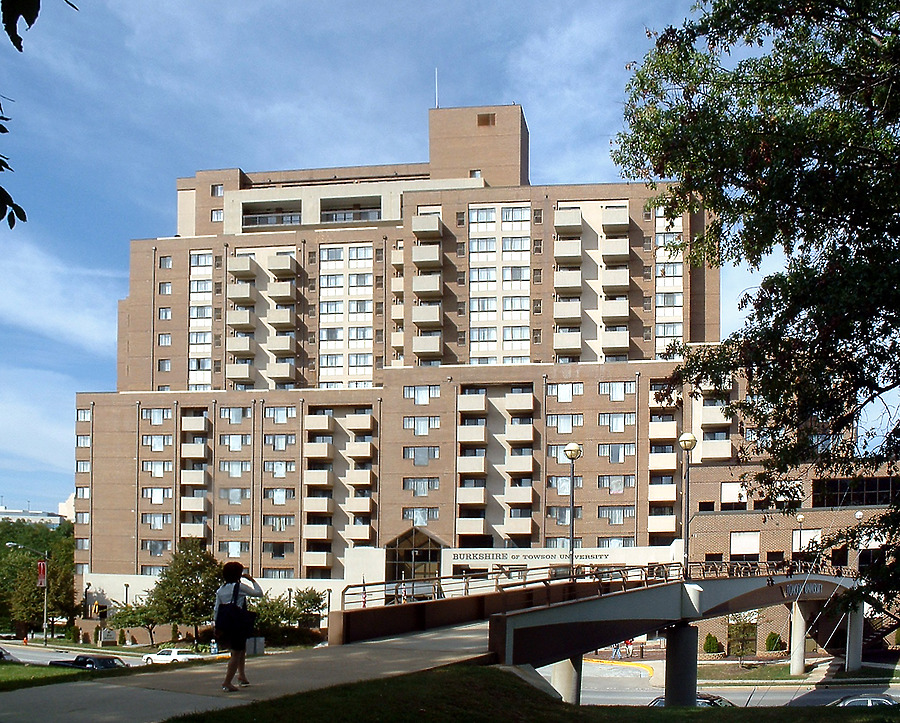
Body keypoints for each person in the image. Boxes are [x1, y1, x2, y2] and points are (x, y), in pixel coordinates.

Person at [214, 562, 263, 692]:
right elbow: (259, 593)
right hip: (238, 623)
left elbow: (216, 609)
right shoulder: (239, 587)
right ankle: (227, 682)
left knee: (240, 650)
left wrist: (216, 626)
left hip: (226, 624)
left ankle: (242, 676)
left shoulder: (221, 590)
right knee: (236, 652)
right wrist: (252, 580)